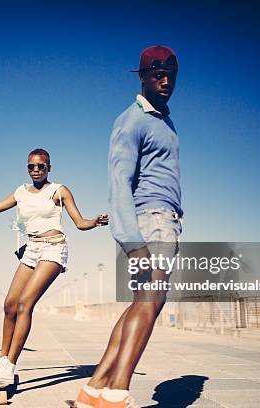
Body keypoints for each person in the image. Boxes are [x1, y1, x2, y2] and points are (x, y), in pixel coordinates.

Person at [72, 45, 183, 408]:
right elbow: (119, 180)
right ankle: (116, 394)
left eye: (171, 75)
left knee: (141, 303)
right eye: (157, 75)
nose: (165, 81)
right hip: (151, 221)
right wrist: (133, 242)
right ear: (143, 77)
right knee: (152, 299)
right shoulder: (132, 119)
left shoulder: (163, 121)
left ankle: (93, 390)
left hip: (159, 220)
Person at [0, 148, 108, 384]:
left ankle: (9, 366)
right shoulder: (21, 191)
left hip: (54, 247)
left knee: (24, 304)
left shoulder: (59, 191)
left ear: (49, 167)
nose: (36, 170)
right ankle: (1, 358)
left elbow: (79, 223)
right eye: (31, 166)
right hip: (31, 248)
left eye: (41, 166)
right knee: (9, 304)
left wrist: (95, 222)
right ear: (27, 168)